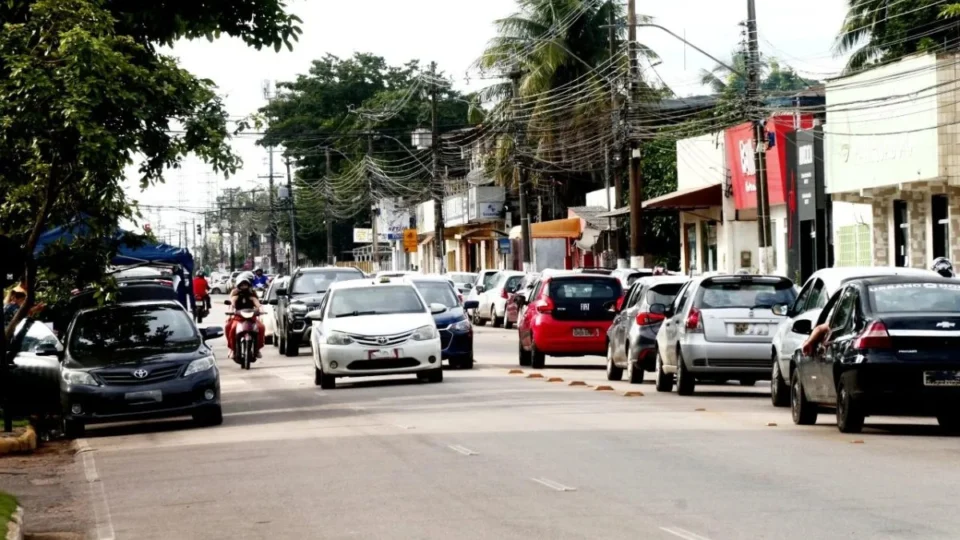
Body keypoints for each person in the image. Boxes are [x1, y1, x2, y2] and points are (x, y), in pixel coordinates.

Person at [225, 273, 265, 359]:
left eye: (245, 284)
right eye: (242, 285)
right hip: (238, 318)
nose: (244, 286)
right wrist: (230, 312)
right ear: (239, 286)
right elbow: (232, 304)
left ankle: (257, 349)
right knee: (229, 328)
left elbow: (258, 304)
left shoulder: (252, 295)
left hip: (252, 318)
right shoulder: (235, 295)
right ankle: (232, 349)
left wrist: (261, 310)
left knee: (261, 327)